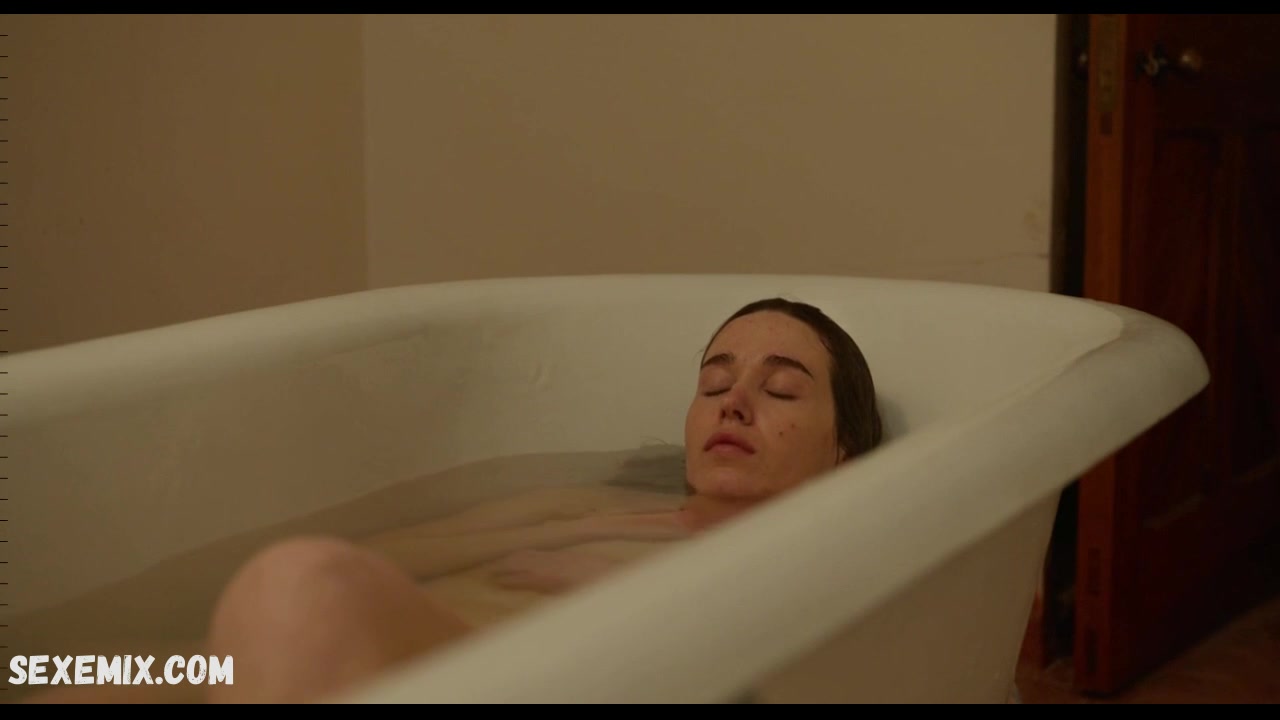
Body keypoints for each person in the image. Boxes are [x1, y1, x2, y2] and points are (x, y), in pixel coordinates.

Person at [24, 297, 882, 705]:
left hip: (488, 683)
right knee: (69, 677)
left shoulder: (815, 551)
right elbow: (388, 557)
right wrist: (588, 525)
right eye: (714, 384)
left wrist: (620, 593)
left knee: (300, 588)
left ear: (844, 446)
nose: (734, 405)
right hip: (321, 661)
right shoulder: (581, 500)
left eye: (781, 390)